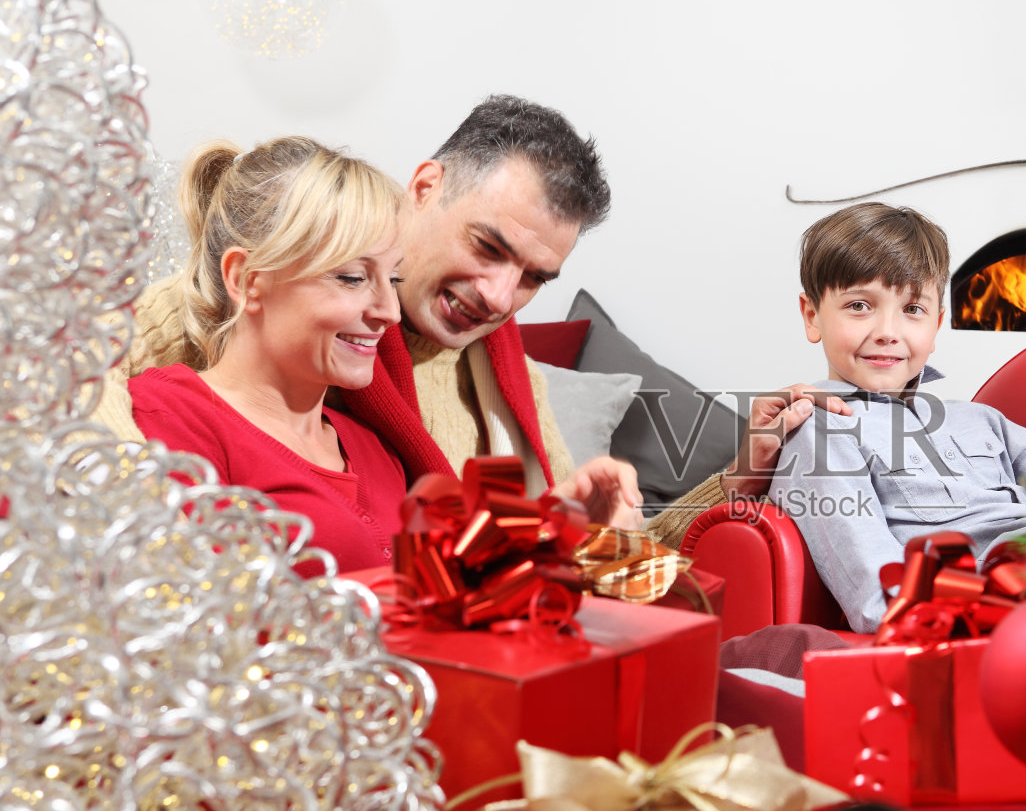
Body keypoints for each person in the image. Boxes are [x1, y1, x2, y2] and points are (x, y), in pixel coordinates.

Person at [97, 96, 847, 544]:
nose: (498, 296)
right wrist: (165, 531)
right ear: (425, 187)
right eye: (489, 247)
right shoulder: (273, 302)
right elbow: (65, 391)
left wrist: (743, 471)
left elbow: (595, 556)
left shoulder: (502, 372)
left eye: (532, 279)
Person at [769, 202, 1026, 633]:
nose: (887, 330)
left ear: (936, 325)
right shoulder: (821, 427)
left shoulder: (980, 419)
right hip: (1001, 596)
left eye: (912, 309)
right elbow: (878, 594)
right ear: (812, 317)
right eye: (859, 305)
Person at [126, 136, 409, 572]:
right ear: (246, 280)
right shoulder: (169, 417)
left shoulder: (378, 452)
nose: (389, 312)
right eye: (352, 278)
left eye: (395, 280)